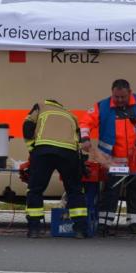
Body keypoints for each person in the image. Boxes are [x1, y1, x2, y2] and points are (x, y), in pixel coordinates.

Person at [80, 79, 136, 235]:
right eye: (115, 97)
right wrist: (85, 138)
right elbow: (85, 122)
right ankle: (104, 224)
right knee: (110, 191)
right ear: (112, 93)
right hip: (112, 160)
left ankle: (135, 223)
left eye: (122, 97)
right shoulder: (102, 106)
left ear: (129, 93)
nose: (118, 100)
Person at [23, 99, 88, 238]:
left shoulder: (40, 106)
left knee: (35, 189)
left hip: (44, 150)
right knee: (75, 190)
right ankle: (80, 230)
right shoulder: (70, 115)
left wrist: (32, 150)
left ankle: (34, 229)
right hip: (69, 153)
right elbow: (79, 139)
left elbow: (27, 127)